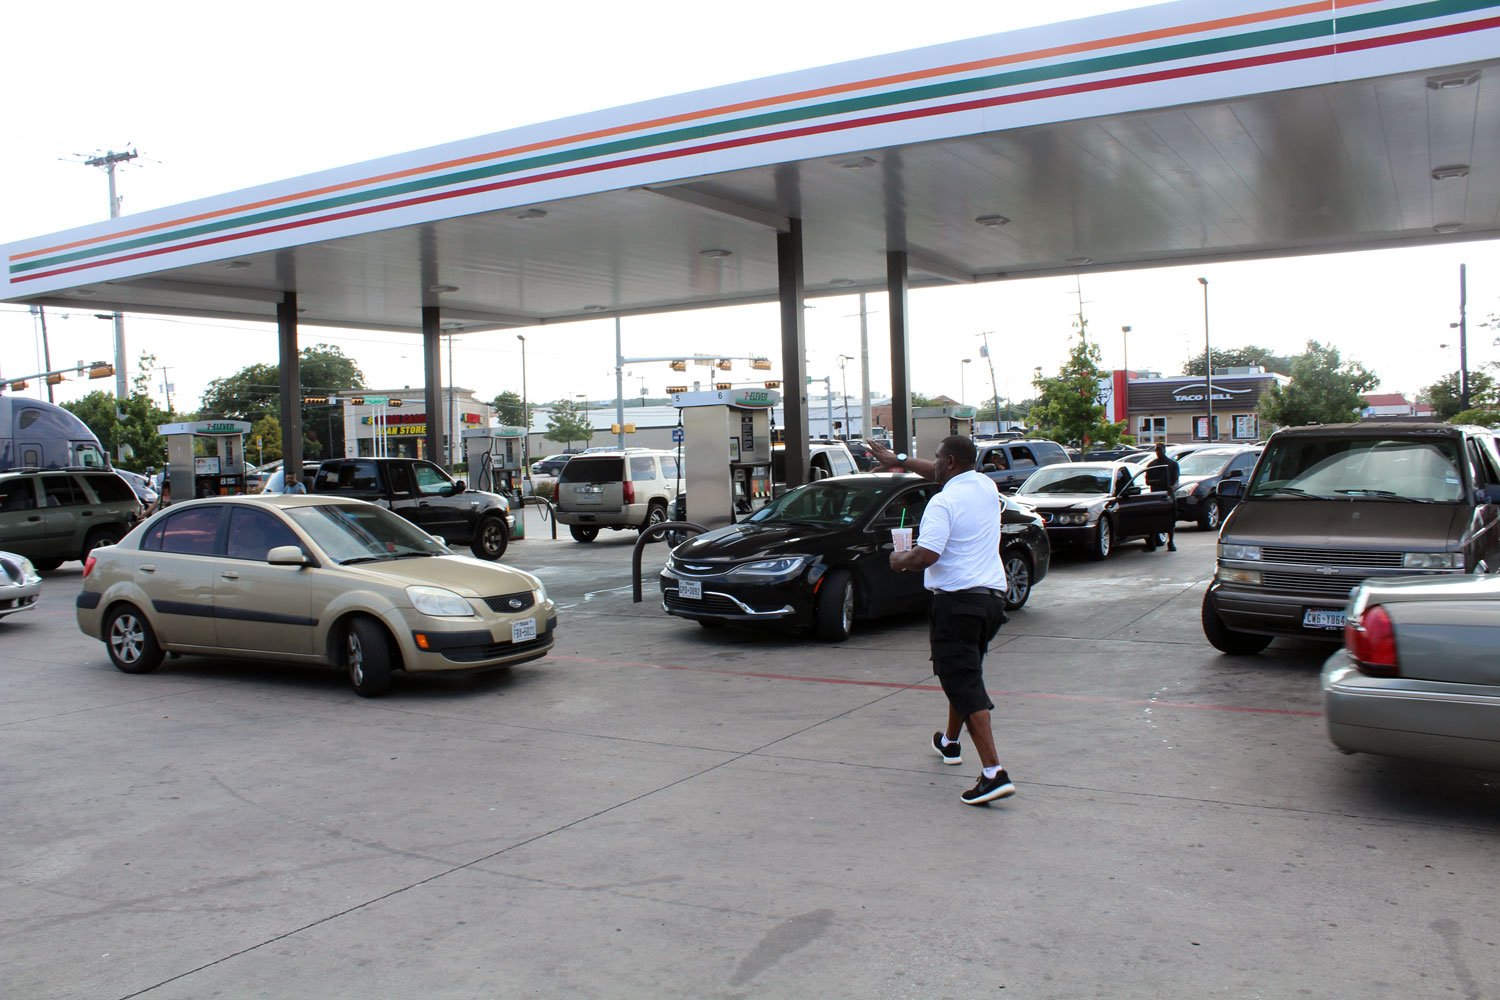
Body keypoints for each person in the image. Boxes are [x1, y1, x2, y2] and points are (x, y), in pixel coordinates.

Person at [869, 436, 1016, 806]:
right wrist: (897, 460)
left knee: (963, 680)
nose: (931, 463)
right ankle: (950, 743)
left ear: (949, 461)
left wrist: (898, 560)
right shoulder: (984, 486)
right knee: (963, 671)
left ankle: (993, 773)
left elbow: (926, 556)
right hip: (991, 602)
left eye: (936, 458)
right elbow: (935, 472)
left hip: (957, 602)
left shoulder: (942, 502)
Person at [1144, 442, 1180, 552]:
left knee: (1170, 520)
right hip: (1155, 495)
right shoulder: (1151, 465)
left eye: (1160, 449)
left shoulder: (1173, 464)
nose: (1159, 452)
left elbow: (1176, 480)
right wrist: (1157, 481)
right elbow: (1147, 481)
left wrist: (1173, 488)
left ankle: (1171, 542)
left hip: (1168, 495)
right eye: (1157, 450)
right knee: (1153, 519)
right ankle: (1152, 542)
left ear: (1165, 450)